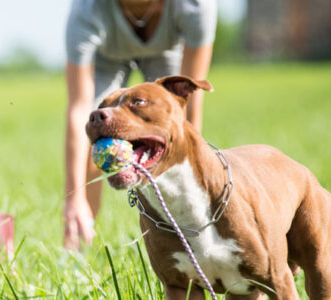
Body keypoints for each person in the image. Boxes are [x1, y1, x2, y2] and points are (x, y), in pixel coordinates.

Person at [62, 0, 216, 249]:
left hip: (166, 52)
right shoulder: (86, 10)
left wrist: (191, 175)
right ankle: (78, 246)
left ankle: (189, 238)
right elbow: (80, 108)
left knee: (171, 141)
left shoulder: (195, 6)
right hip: (106, 58)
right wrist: (74, 196)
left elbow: (188, 107)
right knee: (98, 134)